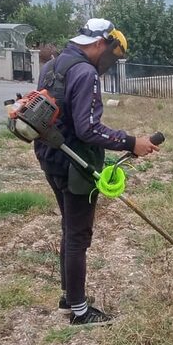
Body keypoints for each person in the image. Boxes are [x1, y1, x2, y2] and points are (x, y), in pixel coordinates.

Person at [34, 18, 160, 325]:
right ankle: (78, 310)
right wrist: (132, 142)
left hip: (49, 157)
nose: (110, 61)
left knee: (69, 228)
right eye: (113, 54)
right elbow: (88, 129)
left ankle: (68, 298)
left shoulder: (52, 66)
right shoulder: (85, 72)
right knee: (78, 235)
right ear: (101, 44)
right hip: (75, 164)